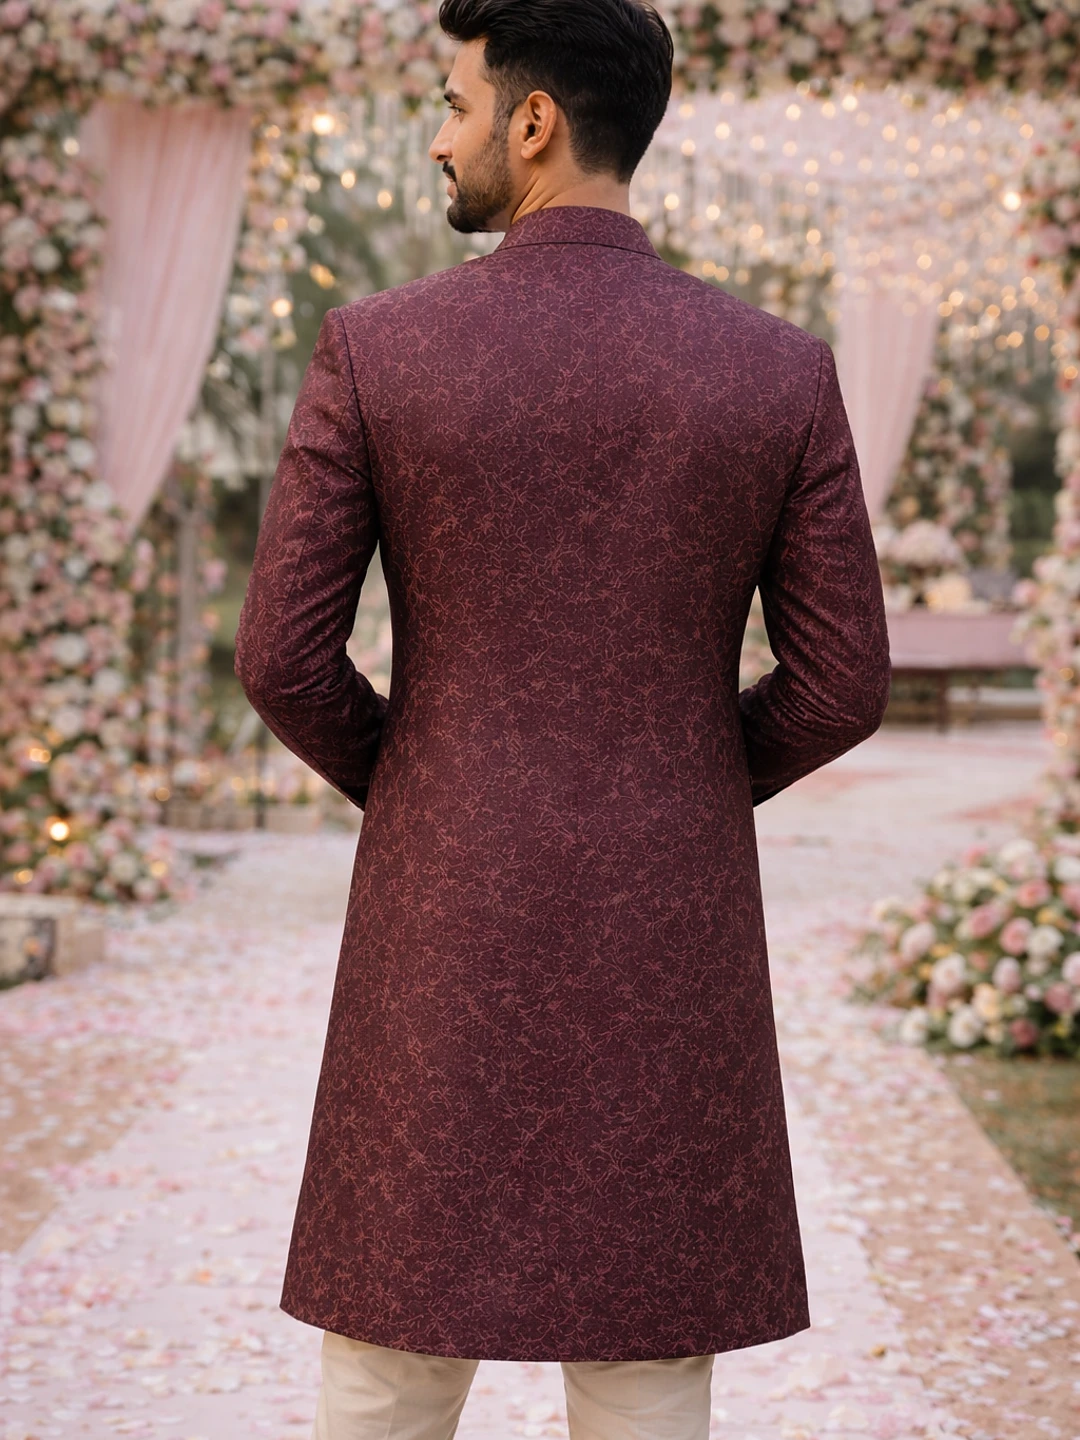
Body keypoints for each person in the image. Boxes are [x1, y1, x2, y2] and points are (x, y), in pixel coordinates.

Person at [233, 0, 893, 1435]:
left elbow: (282, 660)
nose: (439, 136)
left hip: (442, 903)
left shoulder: (379, 349)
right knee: (646, 1365)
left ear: (532, 122)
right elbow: (844, 682)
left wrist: (423, 780)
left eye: (454, 103)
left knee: (389, 1365)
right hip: (672, 909)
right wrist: (688, 775)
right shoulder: (777, 367)